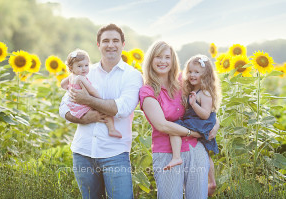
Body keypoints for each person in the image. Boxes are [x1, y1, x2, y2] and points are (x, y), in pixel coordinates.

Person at [59, 24, 143, 199]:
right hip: (83, 152)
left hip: (115, 154)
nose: (110, 45)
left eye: (115, 41)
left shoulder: (132, 75)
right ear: (98, 44)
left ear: (123, 44)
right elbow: (64, 108)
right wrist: (84, 118)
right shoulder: (84, 71)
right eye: (105, 41)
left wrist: (87, 100)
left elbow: (122, 108)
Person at [139, 41, 219, 199]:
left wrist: (215, 124)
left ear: (173, 60)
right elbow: (161, 125)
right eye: (158, 57)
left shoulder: (184, 81)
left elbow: (208, 104)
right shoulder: (147, 91)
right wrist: (193, 132)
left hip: (195, 149)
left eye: (167, 57)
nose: (163, 61)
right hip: (167, 153)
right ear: (151, 60)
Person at [165, 54, 221, 196]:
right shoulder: (195, 89)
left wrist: (193, 104)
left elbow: (206, 114)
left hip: (201, 123)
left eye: (196, 72)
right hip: (196, 121)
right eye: (189, 71)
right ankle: (212, 182)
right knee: (206, 152)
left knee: (174, 128)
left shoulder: (205, 92)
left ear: (205, 74)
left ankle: (176, 156)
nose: (192, 75)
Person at [60, 49, 122, 138]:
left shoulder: (71, 77)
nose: (84, 68)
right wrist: (100, 99)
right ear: (71, 68)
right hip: (82, 106)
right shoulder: (81, 78)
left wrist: (69, 88)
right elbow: (92, 90)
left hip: (74, 105)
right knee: (106, 113)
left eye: (86, 65)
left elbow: (62, 84)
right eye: (80, 66)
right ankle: (112, 129)